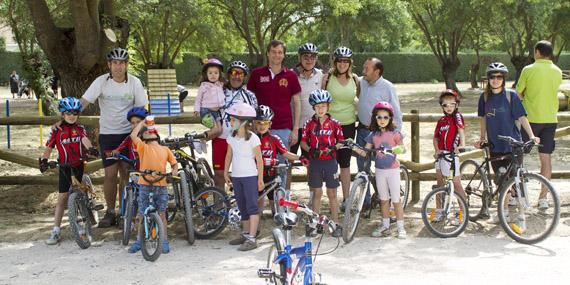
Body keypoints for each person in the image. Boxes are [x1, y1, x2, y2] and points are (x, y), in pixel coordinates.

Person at [79, 47, 149, 228]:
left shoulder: (134, 82)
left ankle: (125, 211)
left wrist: (140, 131)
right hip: (108, 134)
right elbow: (84, 102)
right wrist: (67, 118)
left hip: (129, 134)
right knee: (110, 175)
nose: (118, 67)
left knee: (126, 172)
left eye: (122, 63)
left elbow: (142, 110)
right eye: (115, 63)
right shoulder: (101, 81)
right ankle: (110, 212)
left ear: (126, 65)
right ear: (109, 65)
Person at [475, 62, 540, 221]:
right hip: (495, 146)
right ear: (488, 79)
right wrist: (482, 137)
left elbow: (522, 117)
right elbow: (483, 118)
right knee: (501, 180)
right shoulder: (484, 98)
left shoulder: (511, 96)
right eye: (492, 77)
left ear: (503, 79)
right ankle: (503, 213)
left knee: (516, 180)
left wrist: (531, 136)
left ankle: (520, 215)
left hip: (513, 145)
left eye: (499, 77)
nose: (496, 80)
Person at [40, 97, 99, 245]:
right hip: (65, 166)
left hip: (78, 164)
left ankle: (86, 214)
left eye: (75, 112)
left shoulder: (79, 128)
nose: (72, 115)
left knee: (79, 192)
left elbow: (84, 139)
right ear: (62, 114)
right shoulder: (56, 130)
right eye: (68, 113)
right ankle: (56, 230)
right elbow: (48, 147)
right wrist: (45, 160)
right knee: (62, 198)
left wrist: (90, 148)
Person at [247, 40, 302, 186]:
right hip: (259, 128)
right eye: (273, 52)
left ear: (284, 55)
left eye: (280, 52)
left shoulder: (290, 76)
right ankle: (259, 204)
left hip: (283, 128)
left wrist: (295, 129)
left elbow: (297, 102)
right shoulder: (257, 74)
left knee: (281, 167)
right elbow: (249, 101)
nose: (276, 55)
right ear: (268, 53)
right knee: (257, 165)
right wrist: (251, 125)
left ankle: (281, 203)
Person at [516, 40, 563, 208]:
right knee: (546, 158)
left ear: (537, 52)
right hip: (550, 119)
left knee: (518, 157)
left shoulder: (528, 69)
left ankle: (516, 195)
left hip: (530, 119)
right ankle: (543, 199)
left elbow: (518, 92)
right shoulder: (557, 71)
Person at [354, 101, 406, 238]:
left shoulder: (395, 133)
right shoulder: (373, 135)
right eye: (379, 117)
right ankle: (385, 225)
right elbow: (365, 151)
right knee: (383, 199)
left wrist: (395, 149)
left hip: (393, 170)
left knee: (396, 199)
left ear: (390, 118)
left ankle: (401, 227)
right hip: (380, 171)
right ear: (375, 119)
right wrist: (352, 146)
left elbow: (403, 148)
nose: (382, 120)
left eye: (385, 117)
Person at [357, 58, 402, 208]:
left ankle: (389, 199)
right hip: (363, 130)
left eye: (367, 69)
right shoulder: (361, 82)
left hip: (382, 134)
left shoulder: (387, 87)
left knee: (383, 166)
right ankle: (366, 201)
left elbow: (396, 112)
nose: (363, 71)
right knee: (362, 166)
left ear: (377, 72)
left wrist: (395, 136)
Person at [127, 118, 178, 254]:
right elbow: (133, 135)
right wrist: (141, 124)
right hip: (144, 184)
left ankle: (164, 240)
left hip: (161, 185)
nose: (150, 132)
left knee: (162, 214)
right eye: (147, 132)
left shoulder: (165, 149)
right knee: (142, 213)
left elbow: (174, 163)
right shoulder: (143, 147)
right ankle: (139, 240)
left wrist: (174, 170)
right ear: (143, 138)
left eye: (152, 131)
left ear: (157, 135)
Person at [300, 90, 344, 237]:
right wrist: (311, 150)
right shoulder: (308, 124)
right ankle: (314, 223)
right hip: (315, 162)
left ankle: (335, 223)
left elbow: (341, 142)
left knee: (332, 193)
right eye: (317, 106)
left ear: (328, 107)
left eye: (323, 106)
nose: (320, 109)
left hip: (331, 161)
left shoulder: (335, 124)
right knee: (316, 193)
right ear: (313, 107)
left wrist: (333, 148)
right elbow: (303, 142)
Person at [210, 60, 258, 189]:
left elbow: (253, 119)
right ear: (228, 75)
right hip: (220, 138)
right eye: (233, 72)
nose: (236, 76)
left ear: (245, 77)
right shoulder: (218, 91)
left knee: (242, 173)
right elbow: (207, 110)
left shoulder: (250, 96)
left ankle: (241, 204)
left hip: (240, 140)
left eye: (240, 73)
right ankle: (220, 207)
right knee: (219, 174)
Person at [322, 46, 359, 209]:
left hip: (349, 126)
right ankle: (333, 201)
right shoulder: (327, 78)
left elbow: (360, 99)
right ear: (335, 62)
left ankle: (346, 199)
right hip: (330, 126)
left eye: (346, 61)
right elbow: (321, 101)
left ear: (350, 63)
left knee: (345, 164)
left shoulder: (355, 79)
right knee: (331, 163)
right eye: (339, 61)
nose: (342, 64)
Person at [223, 102, 264, 251]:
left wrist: (260, 179)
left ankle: (252, 238)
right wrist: (227, 172)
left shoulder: (253, 138)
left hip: (250, 177)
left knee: (252, 206)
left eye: (233, 120)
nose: (231, 122)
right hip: (237, 176)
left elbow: (259, 160)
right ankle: (246, 234)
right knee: (242, 206)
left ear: (243, 122)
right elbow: (229, 155)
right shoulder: (231, 137)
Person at [287, 43, 323, 191]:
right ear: (299, 58)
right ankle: (286, 197)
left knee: (311, 164)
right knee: (288, 163)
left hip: (312, 128)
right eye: (306, 57)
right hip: (293, 126)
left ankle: (312, 198)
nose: (309, 60)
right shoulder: (290, 74)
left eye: (312, 57)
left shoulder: (320, 75)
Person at [255, 105, 302, 215]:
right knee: (258, 201)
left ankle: (275, 214)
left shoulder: (274, 139)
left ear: (270, 124)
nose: (262, 126)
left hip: (271, 175)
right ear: (254, 123)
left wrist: (301, 157)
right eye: (259, 123)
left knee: (273, 202)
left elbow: (285, 153)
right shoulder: (252, 139)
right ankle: (257, 220)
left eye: (265, 123)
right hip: (256, 175)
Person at [433, 89, 467, 201]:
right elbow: (435, 138)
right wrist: (437, 150)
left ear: (456, 104)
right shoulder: (441, 120)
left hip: (451, 155)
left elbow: (461, 130)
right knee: (440, 183)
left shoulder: (457, 116)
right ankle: (439, 211)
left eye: (452, 104)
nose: (449, 107)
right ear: (442, 106)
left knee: (456, 183)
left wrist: (462, 144)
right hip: (441, 155)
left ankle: (464, 210)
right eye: (445, 105)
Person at [194, 58, 225, 137]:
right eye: (210, 73)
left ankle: (203, 140)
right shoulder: (204, 86)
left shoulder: (220, 84)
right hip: (206, 111)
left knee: (220, 130)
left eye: (216, 73)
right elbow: (198, 99)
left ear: (219, 74)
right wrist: (196, 110)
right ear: (206, 74)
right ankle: (198, 139)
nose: (213, 75)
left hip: (216, 111)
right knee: (215, 129)